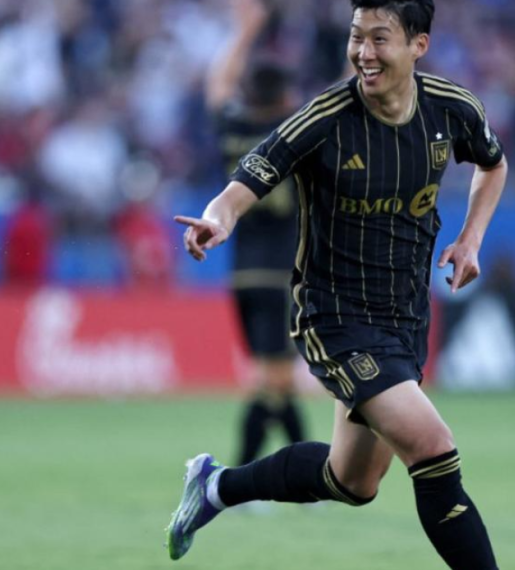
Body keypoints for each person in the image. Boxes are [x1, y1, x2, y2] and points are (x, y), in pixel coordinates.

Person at [166, 1, 508, 568]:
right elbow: (250, 175)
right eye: (356, 38)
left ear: (417, 46)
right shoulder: (323, 117)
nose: (363, 53)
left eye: (379, 40)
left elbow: (493, 164)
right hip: (335, 317)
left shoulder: (453, 110)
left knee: (353, 481)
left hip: (403, 317)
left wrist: (471, 238)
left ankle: (216, 487)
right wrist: (217, 219)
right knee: (433, 448)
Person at [205, 0, 308, 470]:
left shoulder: (235, 126)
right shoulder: (289, 132)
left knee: (274, 378)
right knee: (275, 381)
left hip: (243, 274)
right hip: (283, 271)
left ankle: (311, 483)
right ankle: (236, 480)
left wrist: (245, 32)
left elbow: (218, 86)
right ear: (286, 96)